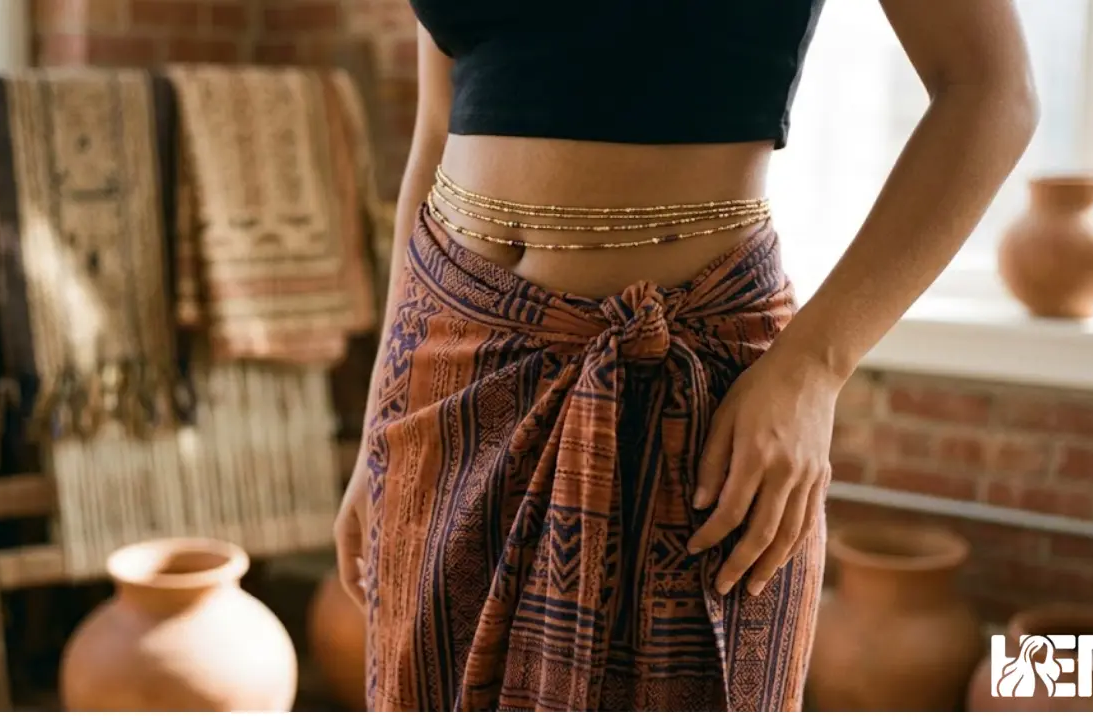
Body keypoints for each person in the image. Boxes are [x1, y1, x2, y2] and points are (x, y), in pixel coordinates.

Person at [334, 0, 1038, 711]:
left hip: (690, 380)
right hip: (446, 368)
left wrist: (813, 368)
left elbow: (991, 91)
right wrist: (380, 415)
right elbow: (436, 127)